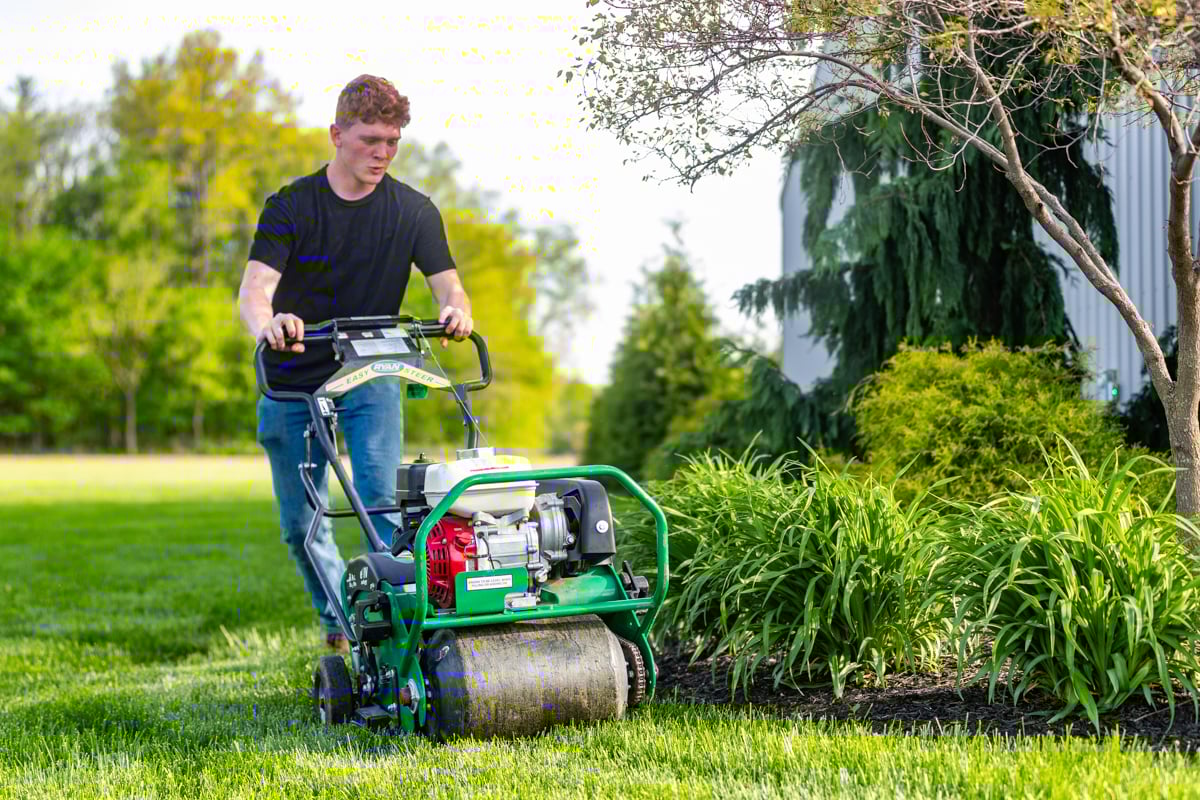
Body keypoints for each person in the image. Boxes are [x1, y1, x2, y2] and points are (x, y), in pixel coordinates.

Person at [237, 74, 473, 653]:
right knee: (302, 524)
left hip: (368, 370)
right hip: (293, 378)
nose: (382, 153)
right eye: (370, 139)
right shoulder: (291, 207)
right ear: (337, 135)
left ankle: (395, 626)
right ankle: (340, 620)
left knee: (382, 508)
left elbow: (450, 287)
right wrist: (269, 324)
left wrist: (456, 312)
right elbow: (253, 291)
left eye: (393, 142)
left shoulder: (414, 212)